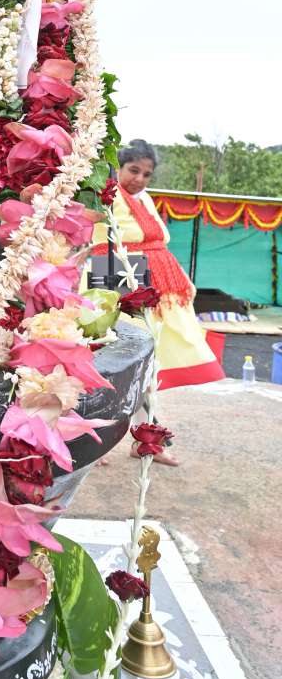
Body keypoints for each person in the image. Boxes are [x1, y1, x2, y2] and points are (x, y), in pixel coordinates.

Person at [93, 139, 224, 466]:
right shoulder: (104, 195)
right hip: (115, 273)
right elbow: (100, 245)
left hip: (150, 283)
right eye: (133, 170)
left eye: (146, 174)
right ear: (119, 167)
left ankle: (146, 440)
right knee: (113, 361)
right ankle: (94, 443)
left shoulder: (143, 199)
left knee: (150, 363)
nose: (139, 178)